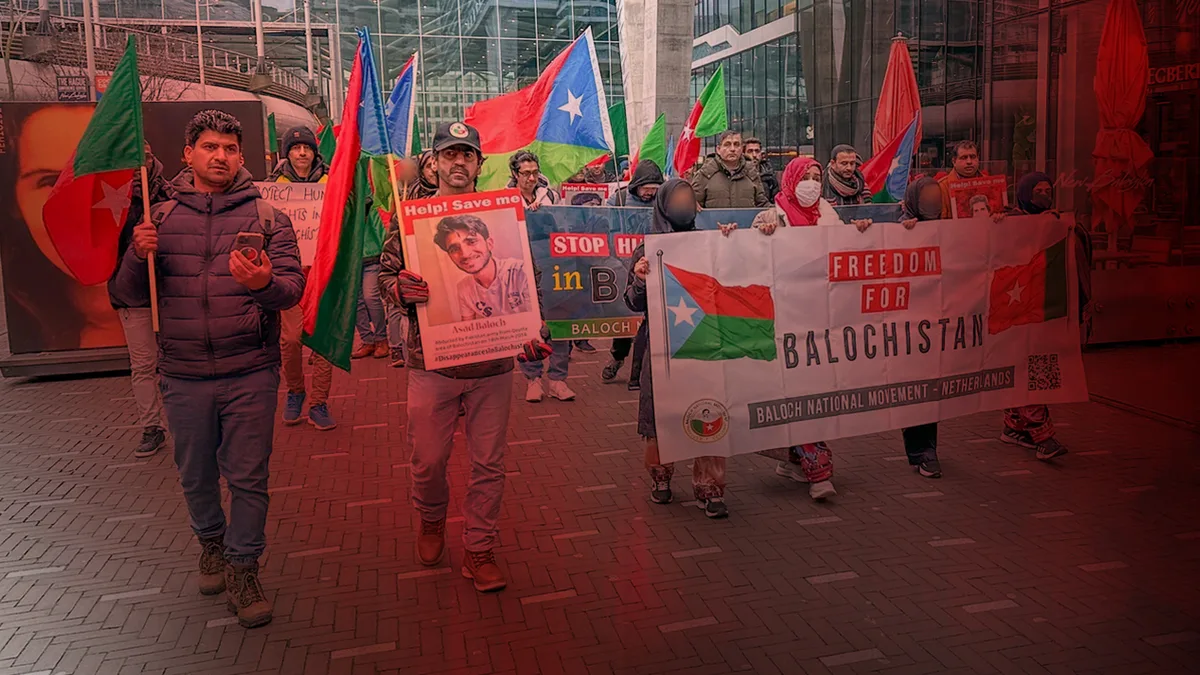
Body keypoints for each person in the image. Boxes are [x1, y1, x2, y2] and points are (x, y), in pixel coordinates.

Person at [112, 109, 305, 628]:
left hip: (250, 372)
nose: (220, 156)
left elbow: (291, 290)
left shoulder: (268, 218)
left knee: (248, 477)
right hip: (184, 375)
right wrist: (136, 254)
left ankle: (244, 566)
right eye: (210, 147)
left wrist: (264, 282)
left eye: (229, 148)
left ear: (241, 156)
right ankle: (211, 544)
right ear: (188, 154)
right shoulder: (160, 219)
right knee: (195, 475)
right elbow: (127, 295)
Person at [379, 121, 551, 593]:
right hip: (431, 363)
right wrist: (398, 288)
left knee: (488, 463)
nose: (459, 163)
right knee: (428, 460)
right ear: (433, 163)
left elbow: (529, 286)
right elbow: (385, 273)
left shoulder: (502, 215)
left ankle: (479, 546)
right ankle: (431, 518)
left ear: (480, 163)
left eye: (468, 155)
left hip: (493, 368)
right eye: (449, 155)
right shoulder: (411, 216)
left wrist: (533, 332)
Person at [625, 179, 729, 518]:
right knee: (661, 417)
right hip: (663, 348)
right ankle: (660, 476)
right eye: (678, 199)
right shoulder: (647, 249)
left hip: (704, 344)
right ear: (663, 205)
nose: (685, 204)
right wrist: (640, 279)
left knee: (709, 412)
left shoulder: (709, 243)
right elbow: (632, 302)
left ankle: (709, 486)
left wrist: (736, 244)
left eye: (690, 198)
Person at [0, 103, 125, 352]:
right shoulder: (34, 332)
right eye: (50, 181)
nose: (81, 208)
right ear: (15, 202)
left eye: (107, 175)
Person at [994, 171, 1091, 461]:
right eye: (1037, 190)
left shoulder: (1057, 222)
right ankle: (1042, 436)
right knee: (1030, 372)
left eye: (1048, 189)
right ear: (1025, 193)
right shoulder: (1008, 222)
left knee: (1036, 370)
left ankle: (1015, 426)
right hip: (1016, 310)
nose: (1044, 195)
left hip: (1045, 310)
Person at [108, 142, 172, 458]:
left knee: (177, 362)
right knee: (144, 364)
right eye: (131, 157)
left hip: (171, 293)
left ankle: (187, 421)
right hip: (132, 295)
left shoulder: (171, 194)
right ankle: (152, 427)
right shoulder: (110, 199)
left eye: (143, 156)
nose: (138, 164)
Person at [270, 126, 337, 430]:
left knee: (323, 340)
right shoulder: (274, 185)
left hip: (323, 273)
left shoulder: (330, 182)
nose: (301, 153)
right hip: (289, 274)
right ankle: (295, 390)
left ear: (315, 152)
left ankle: (319, 402)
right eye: (296, 148)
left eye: (307, 148)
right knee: (291, 338)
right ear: (287, 153)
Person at [507, 152, 575, 402]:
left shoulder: (552, 196)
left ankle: (558, 379)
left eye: (535, 171)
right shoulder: (505, 199)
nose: (532, 177)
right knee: (529, 327)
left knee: (559, 323)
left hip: (552, 266)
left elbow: (565, 227)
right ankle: (533, 379)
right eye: (525, 173)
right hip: (521, 269)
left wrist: (545, 217)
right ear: (515, 174)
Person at [891, 176, 947, 478]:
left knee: (931, 387)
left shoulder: (953, 227)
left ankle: (928, 449)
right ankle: (921, 451)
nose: (932, 203)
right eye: (926, 197)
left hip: (937, 322)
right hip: (907, 325)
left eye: (936, 197)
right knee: (914, 388)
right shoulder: (898, 229)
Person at [603, 160, 663, 388]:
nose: (650, 192)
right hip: (625, 266)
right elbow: (604, 228)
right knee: (625, 318)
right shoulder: (618, 200)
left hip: (656, 266)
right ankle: (617, 357)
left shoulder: (664, 200)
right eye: (646, 187)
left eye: (654, 188)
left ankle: (642, 373)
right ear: (636, 184)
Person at [434, 214, 533, 321]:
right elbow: (468, 328)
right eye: (454, 249)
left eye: (471, 242)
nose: (465, 254)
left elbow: (536, 322)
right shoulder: (463, 288)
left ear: (489, 244)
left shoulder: (521, 271)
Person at [690, 131, 770, 209]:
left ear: (742, 149)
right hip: (713, 222)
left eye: (736, 145)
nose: (732, 149)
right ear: (718, 149)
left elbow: (762, 204)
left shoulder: (751, 173)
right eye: (727, 145)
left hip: (745, 222)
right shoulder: (705, 173)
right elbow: (692, 205)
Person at [352, 203, 389, 359]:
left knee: (370, 296)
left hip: (371, 257)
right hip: (351, 260)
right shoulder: (340, 205)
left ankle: (381, 339)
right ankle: (367, 340)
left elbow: (380, 231)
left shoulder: (369, 204)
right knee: (355, 301)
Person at [938, 140, 984, 217]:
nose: (969, 161)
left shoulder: (990, 184)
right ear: (954, 161)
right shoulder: (942, 187)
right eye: (964, 158)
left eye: (973, 157)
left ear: (978, 158)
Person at [744, 137, 779, 202]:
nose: (754, 155)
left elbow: (775, 198)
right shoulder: (739, 174)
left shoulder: (769, 175)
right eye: (750, 151)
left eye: (757, 151)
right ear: (743, 154)